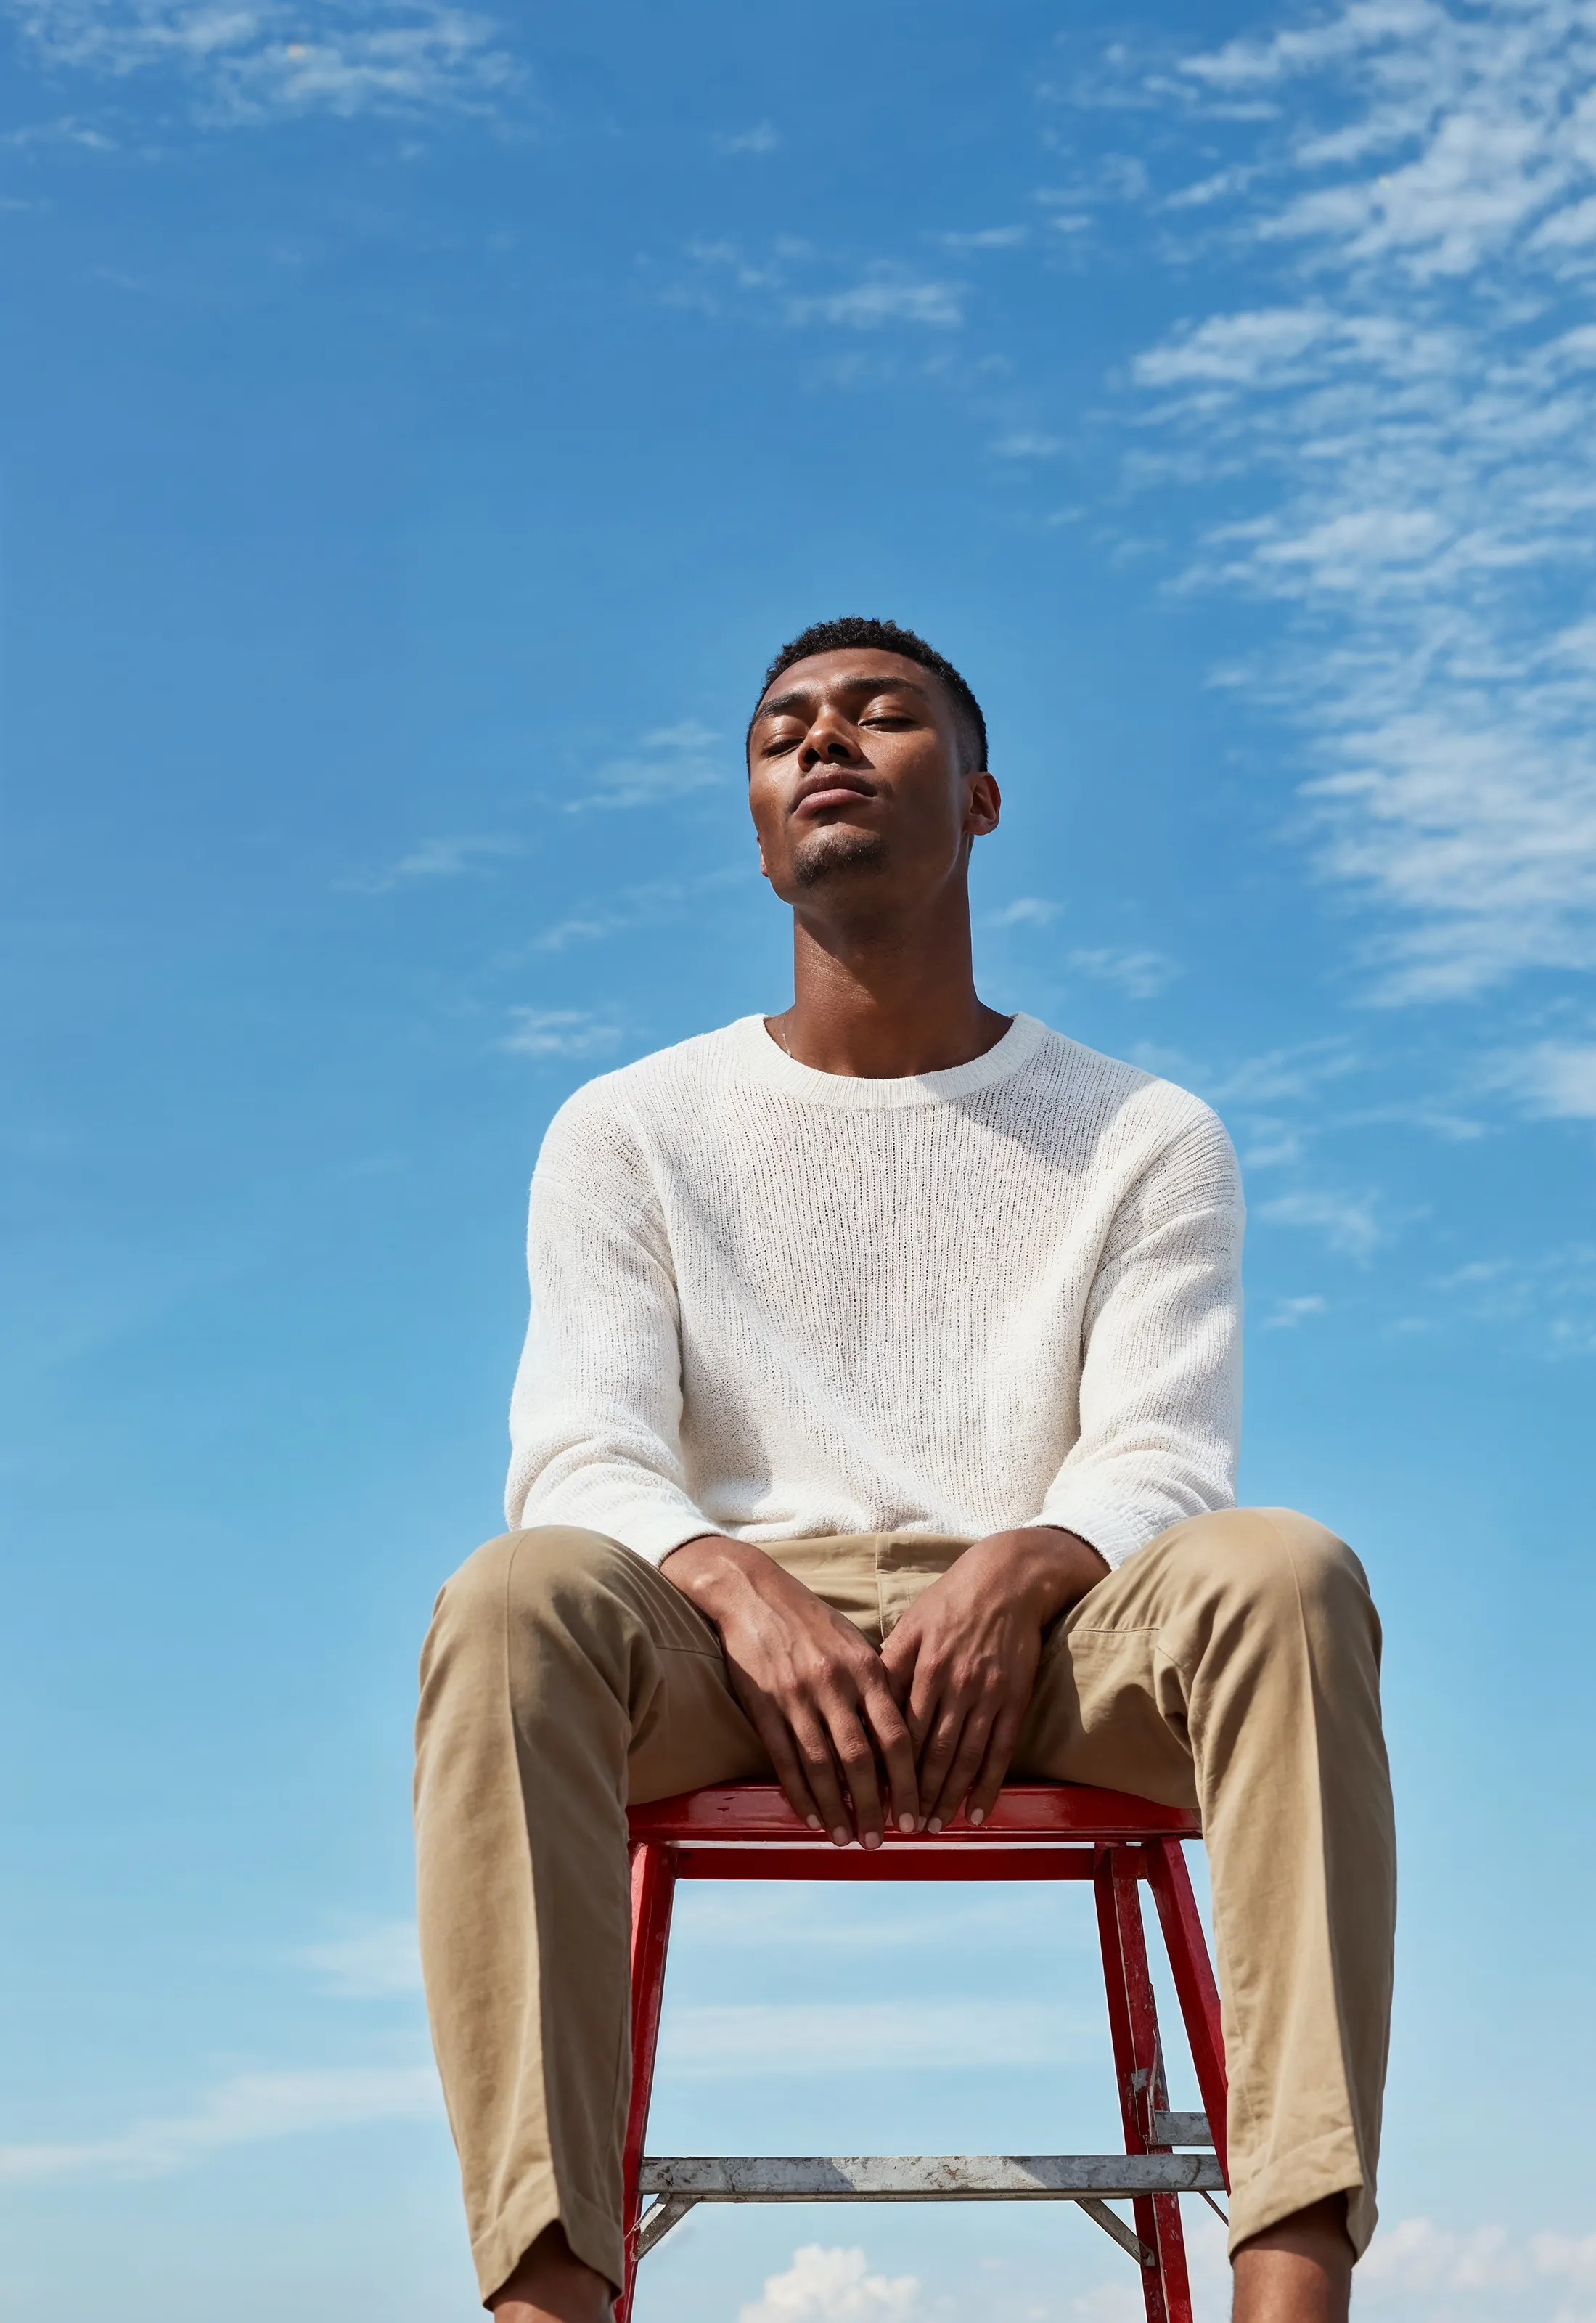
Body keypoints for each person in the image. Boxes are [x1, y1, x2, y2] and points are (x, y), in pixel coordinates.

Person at [414, 616, 1396, 2323]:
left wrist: (1021, 1569)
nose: (825, 741)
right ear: (756, 823)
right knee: (509, 1604)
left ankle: (1294, 2290)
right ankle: (550, 2297)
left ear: (984, 798)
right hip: (724, 1658)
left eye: (881, 715)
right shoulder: (628, 1126)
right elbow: (581, 1447)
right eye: (782, 729)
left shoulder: (1145, 1131)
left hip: (1055, 1648)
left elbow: (1162, 1452)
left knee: (1289, 1574)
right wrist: (738, 1589)